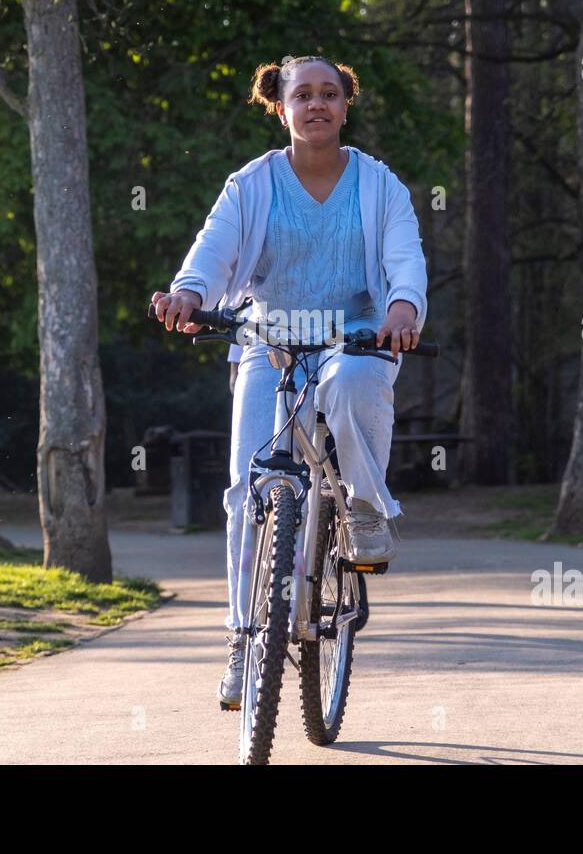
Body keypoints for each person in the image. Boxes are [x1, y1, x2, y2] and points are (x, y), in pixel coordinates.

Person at [148, 55, 429, 709]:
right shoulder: (252, 184)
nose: (317, 105)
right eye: (303, 95)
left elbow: (404, 255)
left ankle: (363, 507)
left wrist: (403, 308)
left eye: (330, 94)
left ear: (345, 106)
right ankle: (244, 643)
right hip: (266, 344)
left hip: (354, 341)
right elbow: (213, 249)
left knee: (355, 384)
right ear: (280, 106)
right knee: (248, 490)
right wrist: (190, 293)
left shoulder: (379, 185)